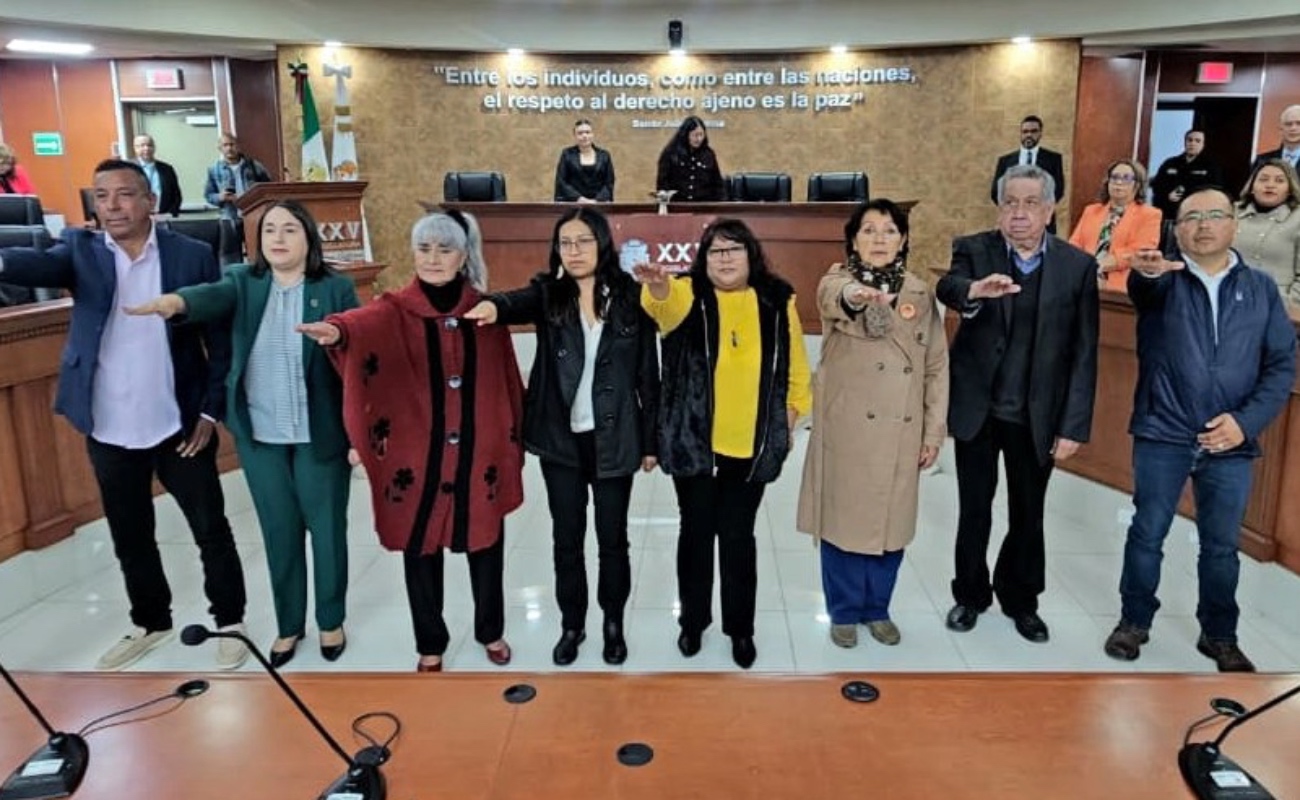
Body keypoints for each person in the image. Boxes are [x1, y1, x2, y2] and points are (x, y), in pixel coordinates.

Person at [0, 159, 247, 670]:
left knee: (211, 529)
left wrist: (209, 411)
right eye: (102, 196)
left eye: (124, 195)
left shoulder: (192, 254)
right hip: (110, 427)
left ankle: (230, 621)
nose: (112, 206)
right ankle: (151, 622)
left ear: (150, 201)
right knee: (130, 535)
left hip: (179, 424)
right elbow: (31, 264)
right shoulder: (80, 249)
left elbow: (219, 337)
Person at [126, 200, 358, 668]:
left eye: (289, 229)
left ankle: (330, 619)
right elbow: (210, 295)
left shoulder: (334, 287)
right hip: (262, 434)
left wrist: (340, 336)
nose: (278, 238)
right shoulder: (244, 283)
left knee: (327, 529)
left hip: (319, 432)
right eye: (269, 229)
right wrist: (177, 303)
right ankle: (289, 625)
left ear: (308, 238)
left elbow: (358, 342)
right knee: (279, 532)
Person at [298, 211, 524, 673]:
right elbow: (359, 324)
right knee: (421, 548)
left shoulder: (485, 311)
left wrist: (511, 439)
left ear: (463, 256)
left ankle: (490, 630)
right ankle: (430, 640)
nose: (434, 258)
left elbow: (506, 379)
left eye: (445, 249)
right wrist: (337, 330)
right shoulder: (394, 309)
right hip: (419, 455)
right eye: (425, 249)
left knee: (486, 540)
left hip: (478, 451)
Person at [1104, 188, 1296, 672]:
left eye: (1215, 215)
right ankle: (1134, 621)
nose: (1203, 225)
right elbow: (1143, 290)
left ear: (1234, 223)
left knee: (1221, 545)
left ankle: (1219, 633)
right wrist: (1146, 272)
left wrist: (1244, 423)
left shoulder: (1260, 290)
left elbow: (1279, 367)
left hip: (1230, 439)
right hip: (1163, 432)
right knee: (1147, 532)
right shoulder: (1164, 279)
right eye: (1191, 218)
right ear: (1177, 229)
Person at [466, 207, 659, 666]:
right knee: (566, 539)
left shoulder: (632, 296)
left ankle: (613, 621)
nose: (573, 251)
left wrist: (651, 441)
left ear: (602, 244)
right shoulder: (549, 294)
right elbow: (515, 301)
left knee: (613, 540)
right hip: (561, 441)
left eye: (583, 241)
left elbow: (648, 375)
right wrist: (493, 305)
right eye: (565, 243)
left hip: (615, 438)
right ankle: (572, 624)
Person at [635, 218, 812, 669]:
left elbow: (795, 370)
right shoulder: (687, 294)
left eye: (734, 249)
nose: (725, 258)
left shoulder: (777, 300)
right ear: (703, 259)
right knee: (695, 535)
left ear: (751, 255)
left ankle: (741, 630)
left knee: (738, 537)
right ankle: (692, 623)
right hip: (695, 444)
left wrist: (786, 421)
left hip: (752, 445)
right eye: (716, 251)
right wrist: (657, 287)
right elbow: (662, 307)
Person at [937, 163, 1099, 644]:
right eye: (1011, 203)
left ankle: (1021, 598)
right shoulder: (974, 249)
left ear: (1050, 210)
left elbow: (1085, 352)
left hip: (1038, 415)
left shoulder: (1076, 265)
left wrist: (1074, 425)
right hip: (979, 411)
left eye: (1031, 203)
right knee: (974, 510)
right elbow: (950, 286)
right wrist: (972, 292)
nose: (1019, 214)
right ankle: (969, 595)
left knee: (1029, 513)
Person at [796, 199, 949, 648]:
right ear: (853, 240)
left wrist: (933, 431)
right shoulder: (837, 280)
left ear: (902, 240)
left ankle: (877, 607)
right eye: (868, 230)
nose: (879, 239)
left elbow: (937, 366)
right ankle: (843, 610)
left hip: (902, 429)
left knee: (891, 525)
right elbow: (832, 297)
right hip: (849, 431)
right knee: (843, 524)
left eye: (888, 231)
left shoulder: (920, 293)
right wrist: (858, 296)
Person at [1068, 159, 1162, 291]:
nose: (1119, 182)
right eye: (1115, 177)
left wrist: (1097, 266)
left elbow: (1138, 252)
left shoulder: (1150, 215)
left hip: (1121, 288)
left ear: (1137, 185)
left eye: (1126, 178)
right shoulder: (1091, 210)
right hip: (1082, 282)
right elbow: (1074, 245)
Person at [1233, 158, 1300, 303]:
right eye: (1263, 179)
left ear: (1290, 189)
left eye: (1279, 181)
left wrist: (1287, 305)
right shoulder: (1232, 211)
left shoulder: (1297, 218)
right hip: (1227, 297)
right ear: (1252, 187)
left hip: (1276, 304)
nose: (1270, 185)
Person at [990, 116, 1066, 234]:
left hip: (1042, 221)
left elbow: (1058, 190)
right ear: (1020, 133)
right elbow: (996, 191)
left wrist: (1038, 208)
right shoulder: (1006, 161)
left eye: (1033, 131)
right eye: (1025, 132)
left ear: (1040, 133)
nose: (1029, 135)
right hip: (1013, 219)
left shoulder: (1053, 159)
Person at [1150, 129, 1223, 222]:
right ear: (1185, 142)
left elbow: (1214, 192)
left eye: (1197, 141)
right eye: (1190, 140)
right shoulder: (1170, 163)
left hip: (1195, 217)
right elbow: (1157, 186)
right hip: (1169, 215)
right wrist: (1167, 195)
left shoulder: (1211, 167)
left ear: (1203, 144)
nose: (1192, 143)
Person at [656, 115, 726, 202]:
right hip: (678, 206)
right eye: (695, 135)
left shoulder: (708, 154)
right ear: (685, 134)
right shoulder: (670, 153)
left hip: (704, 205)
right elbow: (663, 183)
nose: (699, 139)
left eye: (701, 135)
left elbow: (717, 184)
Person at [204, 133, 272, 220]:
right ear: (220, 149)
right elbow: (208, 195)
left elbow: (267, 189)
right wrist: (220, 197)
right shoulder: (214, 170)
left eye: (232, 144)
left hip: (253, 215)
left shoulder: (254, 166)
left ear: (238, 146)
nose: (229, 148)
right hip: (228, 218)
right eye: (225, 145)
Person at [553, 119, 616, 203]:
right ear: (575, 136)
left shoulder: (604, 155)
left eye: (587, 132)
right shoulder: (567, 154)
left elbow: (609, 183)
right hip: (573, 203)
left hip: (599, 204)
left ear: (593, 134)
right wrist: (580, 199)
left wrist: (596, 201)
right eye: (580, 133)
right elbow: (561, 182)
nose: (584, 136)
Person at [133, 134, 183, 217]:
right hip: (137, 217)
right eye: (142, 145)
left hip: (163, 216)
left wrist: (171, 213)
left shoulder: (167, 169)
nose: (146, 148)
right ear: (135, 148)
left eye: (149, 145)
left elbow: (176, 195)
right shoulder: (128, 168)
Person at [1252, 104, 1300, 172]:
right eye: (1288, 124)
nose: (1293, 128)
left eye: (1299, 123)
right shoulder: (1262, 160)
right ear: (1281, 129)